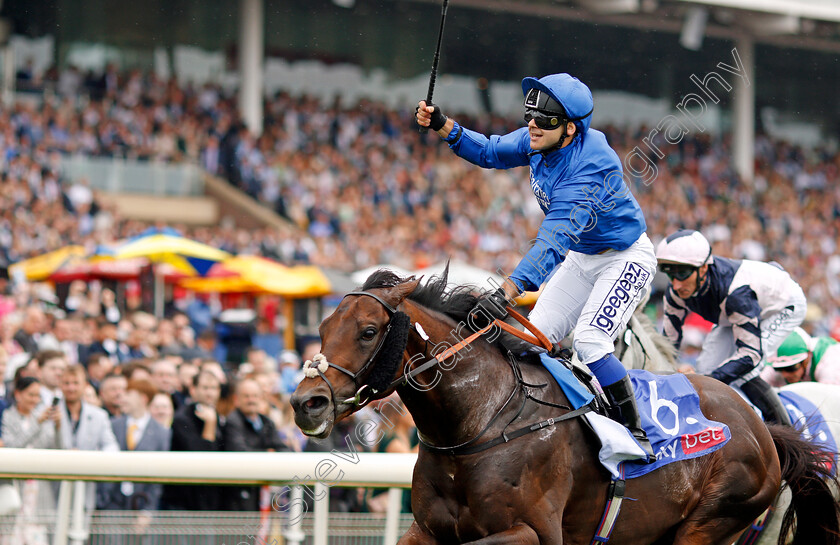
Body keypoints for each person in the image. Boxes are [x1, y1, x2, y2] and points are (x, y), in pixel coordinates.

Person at [417, 73, 657, 459]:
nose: (532, 124)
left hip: (624, 258)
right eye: (530, 114)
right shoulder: (541, 139)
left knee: (590, 342)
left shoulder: (591, 168)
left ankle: (635, 432)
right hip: (584, 257)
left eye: (543, 120)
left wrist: (509, 290)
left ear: (570, 129)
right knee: (532, 339)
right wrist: (444, 124)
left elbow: (552, 241)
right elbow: (491, 152)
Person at [656, 230, 807, 425]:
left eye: (682, 273)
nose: (676, 284)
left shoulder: (737, 294)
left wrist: (712, 380)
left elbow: (750, 355)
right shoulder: (675, 292)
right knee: (704, 370)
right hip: (734, 313)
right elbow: (668, 343)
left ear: (703, 269)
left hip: (782, 306)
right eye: (669, 273)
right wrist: (671, 369)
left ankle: (789, 439)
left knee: (744, 370)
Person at [99, 378, 170, 512]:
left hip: (141, 503)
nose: (123, 398)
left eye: (128, 394)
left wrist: (148, 511)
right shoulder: (113, 425)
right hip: (111, 506)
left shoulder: (162, 433)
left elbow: (159, 478)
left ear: (142, 399)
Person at [223, 378, 288, 511]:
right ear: (236, 399)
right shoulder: (232, 422)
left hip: (262, 492)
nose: (251, 400)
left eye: (254, 396)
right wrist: (269, 453)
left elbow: (284, 450)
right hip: (239, 493)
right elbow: (240, 454)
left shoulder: (267, 422)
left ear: (261, 398)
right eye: (246, 396)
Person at [762, 327, 840, 386]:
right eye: (778, 368)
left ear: (807, 359)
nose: (785, 374)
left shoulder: (830, 365)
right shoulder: (776, 365)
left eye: (790, 368)